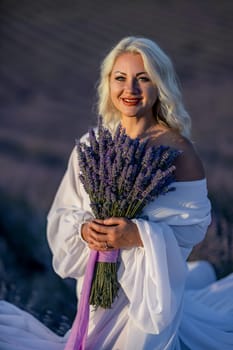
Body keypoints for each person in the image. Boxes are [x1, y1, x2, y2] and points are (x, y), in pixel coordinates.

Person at [0, 36, 233, 350]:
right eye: (120, 78)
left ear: (159, 84)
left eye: (143, 78)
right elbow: (63, 213)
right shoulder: (91, 145)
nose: (130, 89)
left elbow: (194, 225)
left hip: (151, 291)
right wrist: (85, 230)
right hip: (100, 286)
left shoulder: (179, 151)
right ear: (108, 84)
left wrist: (136, 235)